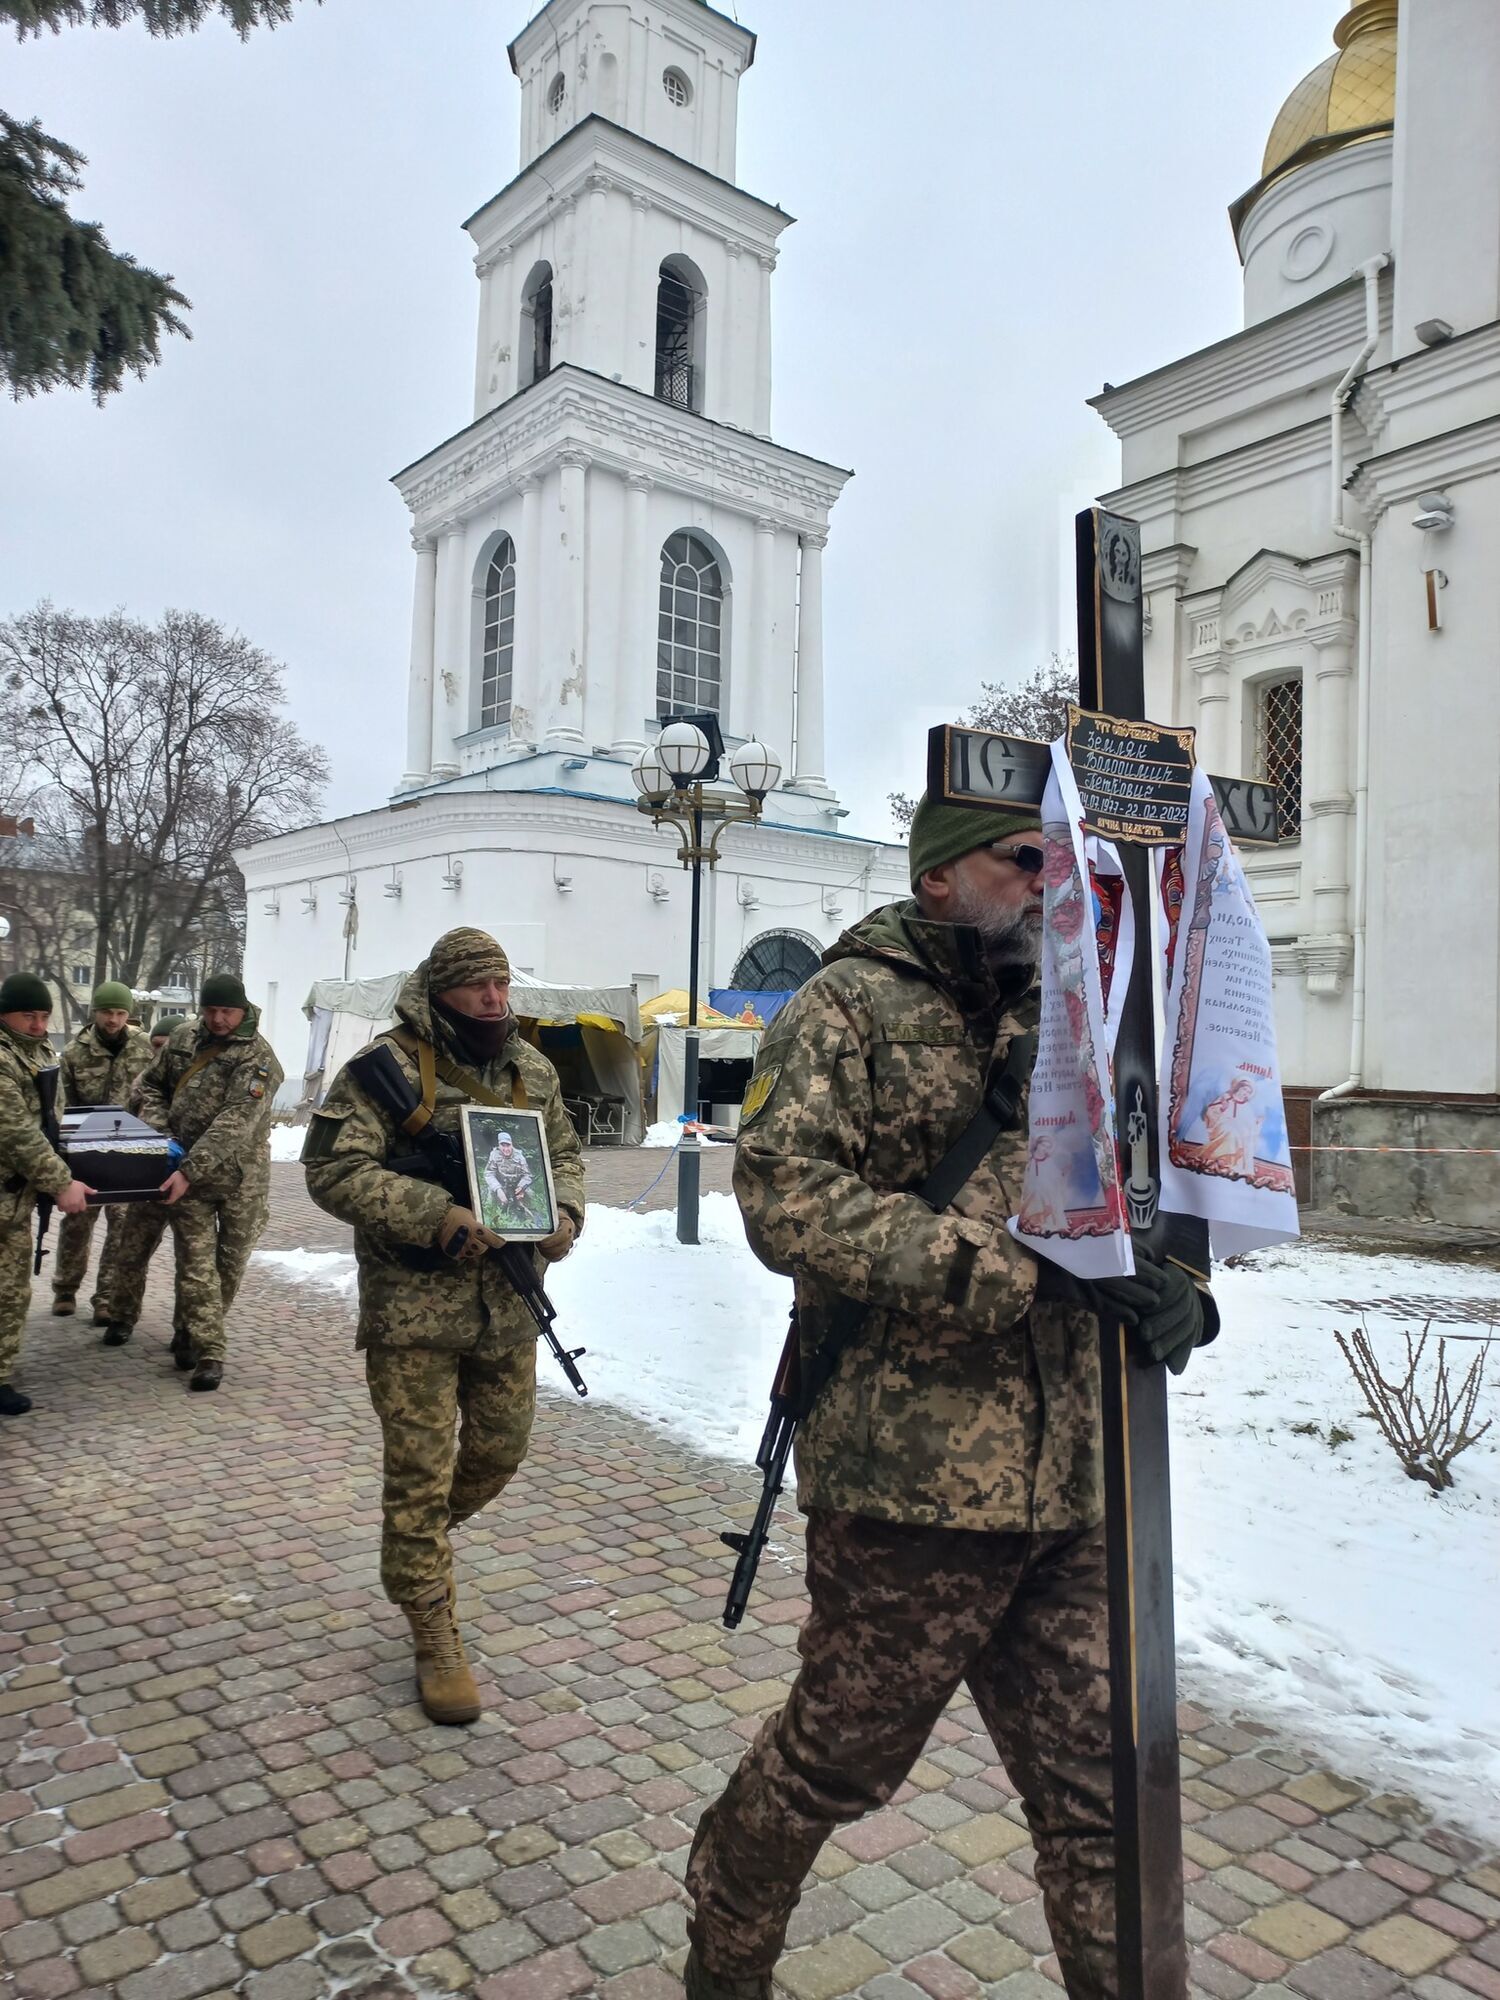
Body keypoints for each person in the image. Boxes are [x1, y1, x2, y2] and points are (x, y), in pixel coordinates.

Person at [682, 794, 1214, 2000]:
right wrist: (990, 1267)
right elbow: (782, 1197)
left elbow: (1151, 1168)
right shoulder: (845, 1005)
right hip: (909, 1486)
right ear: (939, 877)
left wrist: (1186, 1278)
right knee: (834, 1763)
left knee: (1105, 1799)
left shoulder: (1077, 1007)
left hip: (1076, 1486)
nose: (1049, 881)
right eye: (1024, 859)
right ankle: (726, 1932)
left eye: (1059, 862)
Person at [303, 927, 584, 1726]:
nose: (496, 999)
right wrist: (436, 1214)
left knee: (500, 1451)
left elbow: (564, 1154)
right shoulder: (382, 1071)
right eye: (478, 987)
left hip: (507, 1303)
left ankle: (413, 1544)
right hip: (414, 1311)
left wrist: (564, 1215)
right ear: (441, 991)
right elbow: (332, 1170)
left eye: (501, 984)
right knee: (420, 1471)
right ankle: (434, 1629)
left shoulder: (532, 1069)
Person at [97, 974, 282, 1391]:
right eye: (211, 1010)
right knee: (196, 1265)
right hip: (186, 1179)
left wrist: (187, 1168)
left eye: (226, 1012)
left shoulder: (258, 1058)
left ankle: (190, 1329)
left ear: (243, 1009)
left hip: (239, 1181)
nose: (218, 1019)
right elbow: (151, 1085)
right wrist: (162, 1135)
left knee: (227, 1268)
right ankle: (208, 1351)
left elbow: (235, 1121)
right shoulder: (182, 1038)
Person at [0, 974, 95, 1416]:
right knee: (8, 1289)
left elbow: (48, 1121)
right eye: (28, 1016)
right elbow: (17, 1133)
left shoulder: (34, 1051)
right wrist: (61, 1182)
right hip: (8, 1189)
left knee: (12, 1289)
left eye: (43, 1016)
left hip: (16, 1195)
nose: (38, 1025)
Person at [50, 981, 154, 1323]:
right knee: (79, 1220)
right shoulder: (77, 1052)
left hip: (128, 1147)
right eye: (108, 1012)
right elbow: (62, 1105)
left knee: (122, 1226)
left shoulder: (144, 1047)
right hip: (86, 1148)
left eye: (121, 1013)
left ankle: (106, 1297)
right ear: (95, 1012)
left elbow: (154, 1093)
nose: (114, 1019)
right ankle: (65, 1288)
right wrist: (67, 1153)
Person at [482, 1131, 534, 1223]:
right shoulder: (494, 1155)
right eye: (503, 1145)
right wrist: (498, 1189)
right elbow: (489, 1174)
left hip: (516, 1187)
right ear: (499, 1145)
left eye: (508, 1145)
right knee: (490, 1205)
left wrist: (521, 1187)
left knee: (530, 1196)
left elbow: (527, 1175)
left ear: (512, 1144)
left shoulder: (520, 1156)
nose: (506, 1149)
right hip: (501, 1186)